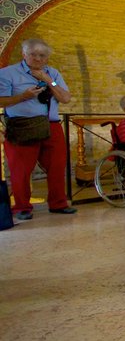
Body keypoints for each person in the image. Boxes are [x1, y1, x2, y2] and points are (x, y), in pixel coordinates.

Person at [0, 39, 77, 220]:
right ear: (24, 55)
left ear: (47, 58)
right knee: (21, 169)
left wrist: (49, 81)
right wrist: (23, 96)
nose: (37, 59)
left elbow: (65, 98)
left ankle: (58, 203)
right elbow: (1, 100)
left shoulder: (53, 73)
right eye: (33, 54)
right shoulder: (8, 73)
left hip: (51, 125)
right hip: (23, 125)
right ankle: (21, 207)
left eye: (42, 56)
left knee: (57, 166)